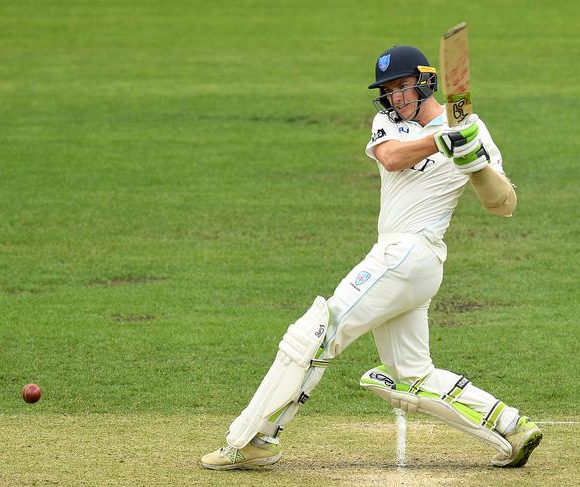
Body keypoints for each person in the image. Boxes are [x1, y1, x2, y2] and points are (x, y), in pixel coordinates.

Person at [201, 45, 542, 470]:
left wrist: (477, 167)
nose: (396, 98)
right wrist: (440, 140)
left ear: (425, 81)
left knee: (316, 334)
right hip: (407, 261)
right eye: (389, 91)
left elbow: (503, 204)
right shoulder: (390, 125)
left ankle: (251, 440)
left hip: (412, 252)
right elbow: (391, 158)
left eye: (403, 87)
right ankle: (512, 426)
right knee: (411, 375)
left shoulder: (472, 129)